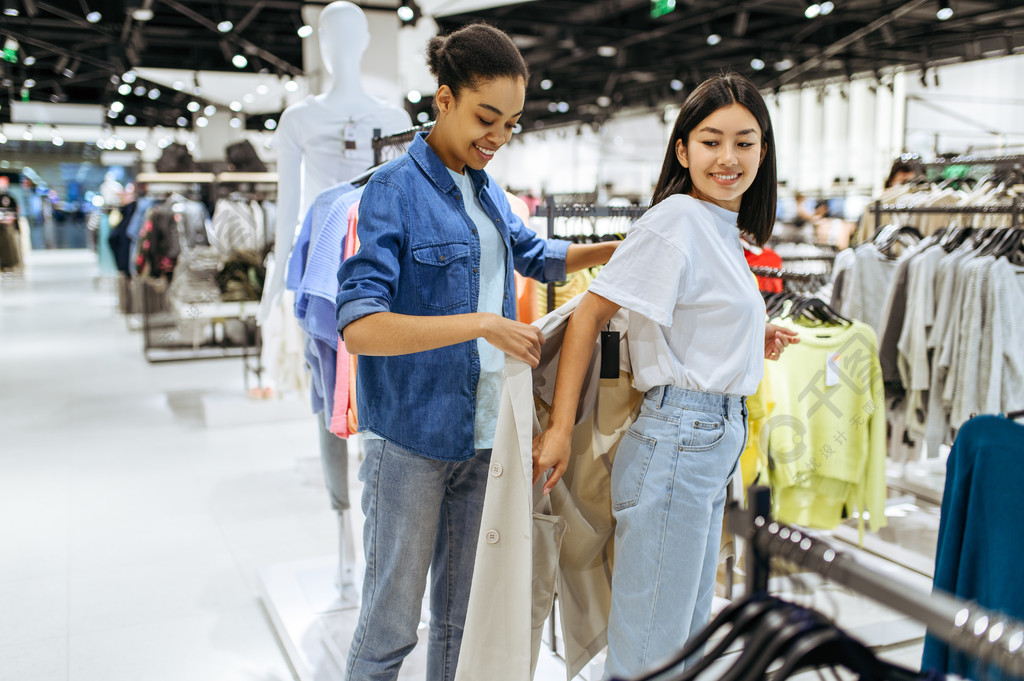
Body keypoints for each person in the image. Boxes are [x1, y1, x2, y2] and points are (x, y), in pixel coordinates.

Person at [334, 22, 618, 681]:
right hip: (409, 441)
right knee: (389, 625)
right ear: (443, 99)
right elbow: (360, 324)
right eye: (486, 117)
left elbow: (538, 257)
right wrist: (480, 324)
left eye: (511, 124)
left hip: (484, 436)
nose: (497, 137)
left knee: (463, 623)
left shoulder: (486, 189)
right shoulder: (392, 190)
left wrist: (620, 247)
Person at [532, 72, 799, 680]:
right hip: (682, 439)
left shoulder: (720, 227)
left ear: (764, 149)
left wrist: (747, 336)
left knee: (674, 641)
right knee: (652, 649)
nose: (727, 157)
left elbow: (672, 313)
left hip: (705, 443)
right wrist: (556, 431)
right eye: (710, 141)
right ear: (682, 149)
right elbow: (594, 313)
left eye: (744, 141)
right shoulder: (677, 216)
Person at [258, 0, 412, 606]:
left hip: (383, 265)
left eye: (348, 32)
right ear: (319, 42)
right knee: (329, 401)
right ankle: (343, 533)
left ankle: (380, 539)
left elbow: (406, 196)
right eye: (328, 32)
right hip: (322, 269)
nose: (337, 44)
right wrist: (275, 285)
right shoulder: (298, 119)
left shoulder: (394, 114)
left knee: (382, 398)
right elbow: (290, 207)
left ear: (363, 40)